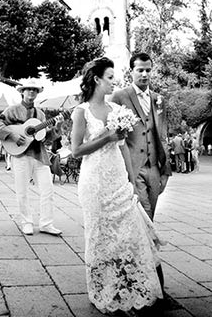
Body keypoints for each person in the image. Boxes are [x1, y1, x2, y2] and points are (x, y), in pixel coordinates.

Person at [70, 57, 165, 314]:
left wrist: (131, 180)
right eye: (110, 77)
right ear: (97, 80)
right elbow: (76, 150)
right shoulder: (81, 112)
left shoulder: (116, 111)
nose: (114, 82)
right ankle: (101, 288)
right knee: (100, 235)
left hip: (118, 180)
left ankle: (127, 285)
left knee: (128, 233)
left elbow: (122, 148)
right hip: (94, 181)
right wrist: (107, 137)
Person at [0, 78, 62, 236]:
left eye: (34, 90)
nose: (31, 92)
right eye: (28, 89)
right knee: (22, 190)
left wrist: (56, 128)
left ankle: (46, 223)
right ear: (22, 92)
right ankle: (26, 222)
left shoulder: (41, 114)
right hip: (20, 153)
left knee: (47, 189)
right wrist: (13, 136)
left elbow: (46, 136)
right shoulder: (12, 110)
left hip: (39, 154)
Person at [111, 52, 172, 220]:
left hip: (154, 167)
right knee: (143, 212)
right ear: (131, 71)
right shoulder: (119, 97)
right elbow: (112, 134)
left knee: (150, 212)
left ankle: (143, 245)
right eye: (140, 70)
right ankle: (147, 245)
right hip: (132, 165)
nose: (145, 74)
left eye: (148, 70)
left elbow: (163, 136)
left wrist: (165, 171)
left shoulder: (159, 100)